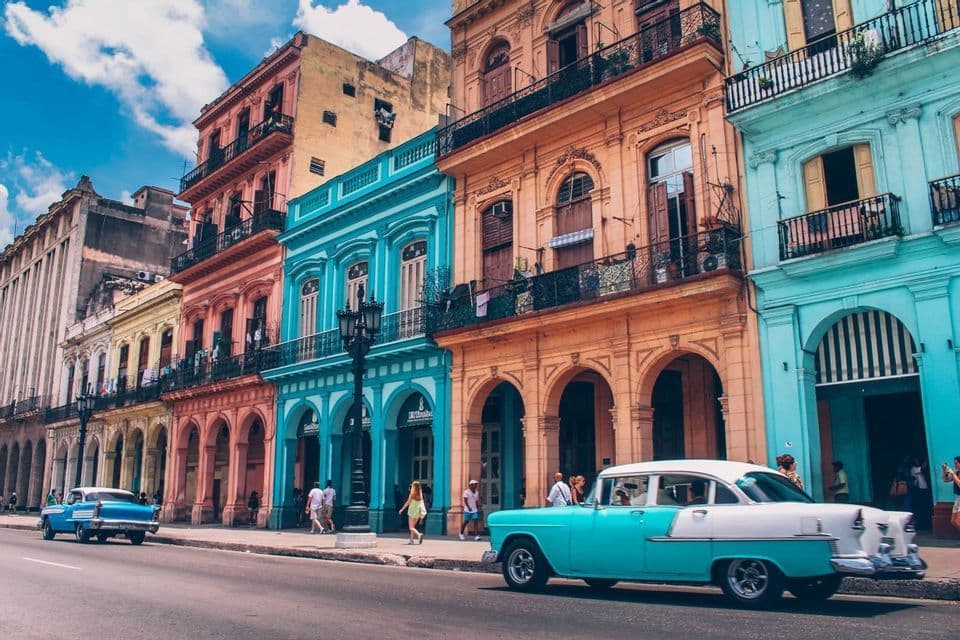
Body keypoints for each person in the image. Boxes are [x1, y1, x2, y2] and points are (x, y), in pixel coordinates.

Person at [909, 457, 931, 529]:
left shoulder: (917, 468)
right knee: (921, 506)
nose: (917, 461)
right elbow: (922, 468)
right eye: (915, 460)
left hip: (923, 488)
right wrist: (927, 459)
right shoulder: (913, 469)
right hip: (919, 489)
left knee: (925, 506)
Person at [941, 456, 960, 531]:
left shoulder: (955, 473)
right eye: (954, 463)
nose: (955, 465)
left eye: (956, 463)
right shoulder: (957, 472)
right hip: (958, 498)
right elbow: (945, 480)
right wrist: (944, 471)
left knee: (958, 521)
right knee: (953, 521)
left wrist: (952, 473)